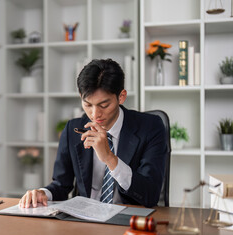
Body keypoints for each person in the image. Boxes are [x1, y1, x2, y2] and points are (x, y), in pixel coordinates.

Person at [19, 58, 168, 208]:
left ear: (121, 97)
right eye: (88, 104)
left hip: (129, 220)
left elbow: (151, 195)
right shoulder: (73, 129)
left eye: (104, 105)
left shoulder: (151, 127)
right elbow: (61, 185)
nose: (95, 114)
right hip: (85, 219)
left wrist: (109, 158)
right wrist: (43, 193)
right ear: (80, 96)